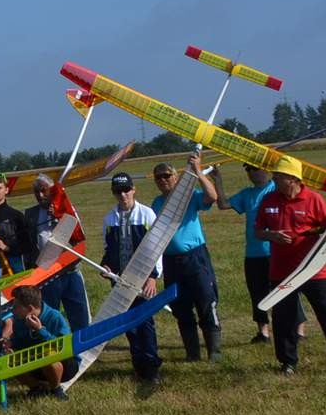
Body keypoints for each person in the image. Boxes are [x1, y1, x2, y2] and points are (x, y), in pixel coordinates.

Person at [254, 157, 326, 377]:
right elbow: (258, 231)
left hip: (313, 270)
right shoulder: (269, 199)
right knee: (283, 318)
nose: (274, 179)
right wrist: (272, 235)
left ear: (293, 179)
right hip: (281, 271)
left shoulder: (314, 199)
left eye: (279, 176)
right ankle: (288, 362)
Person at [151, 154, 223, 361]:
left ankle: (214, 351)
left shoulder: (189, 196)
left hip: (195, 258)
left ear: (176, 177)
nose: (163, 180)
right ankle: (192, 353)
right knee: (180, 307)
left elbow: (212, 197)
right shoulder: (156, 203)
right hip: (171, 261)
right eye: (158, 177)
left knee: (205, 301)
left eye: (166, 175)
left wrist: (198, 171)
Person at [102, 173, 162, 384]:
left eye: (126, 190)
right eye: (118, 191)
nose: (123, 195)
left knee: (145, 324)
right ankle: (139, 367)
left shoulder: (147, 214)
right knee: (130, 326)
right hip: (121, 281)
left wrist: (152, 277)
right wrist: (106, 266)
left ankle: (152, 369)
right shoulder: (109, 219)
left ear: (134, 189)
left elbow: (156, 248)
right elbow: (108, 248)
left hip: (143, 279)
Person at [26, 177, 91, 333]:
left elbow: (78, 239)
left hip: (69, 271)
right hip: (46, 274)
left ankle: (81, 344)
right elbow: (28, 245)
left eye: (44, 191)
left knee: (79, 313)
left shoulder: (66, 209)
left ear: (52, 191)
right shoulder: (30, 213)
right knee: (49, 314)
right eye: (37, 192)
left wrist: (60, 216)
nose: (40, 195)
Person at [224, 164, 277, 344]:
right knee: (257, 293)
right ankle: (263, 333)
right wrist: (217, 179)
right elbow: (223, 204)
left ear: (266, 169)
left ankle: (297, 329)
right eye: (248, 169)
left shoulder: (276, 188)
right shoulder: (247, 194)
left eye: (255, 168)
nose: (252, 173)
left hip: (276, 251)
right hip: (253, 254)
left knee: (284, 290)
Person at [0, 285, 75, 394]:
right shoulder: (19, 320)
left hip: (64, 365)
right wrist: (11, 346)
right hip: (35, 362)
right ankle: (37, 388)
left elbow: (64, 346)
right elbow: (20, 342)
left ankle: (56, 390)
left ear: (29, 309)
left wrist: (40, 330)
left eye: (16, 306)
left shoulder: (54, 317)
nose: (12, 310)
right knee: (9, 359)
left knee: (48, 355)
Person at [0, 173, 35, 273]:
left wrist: (6, 248)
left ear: (6, 190)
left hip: (14, 267)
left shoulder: (17, 216)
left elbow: (28, 245)